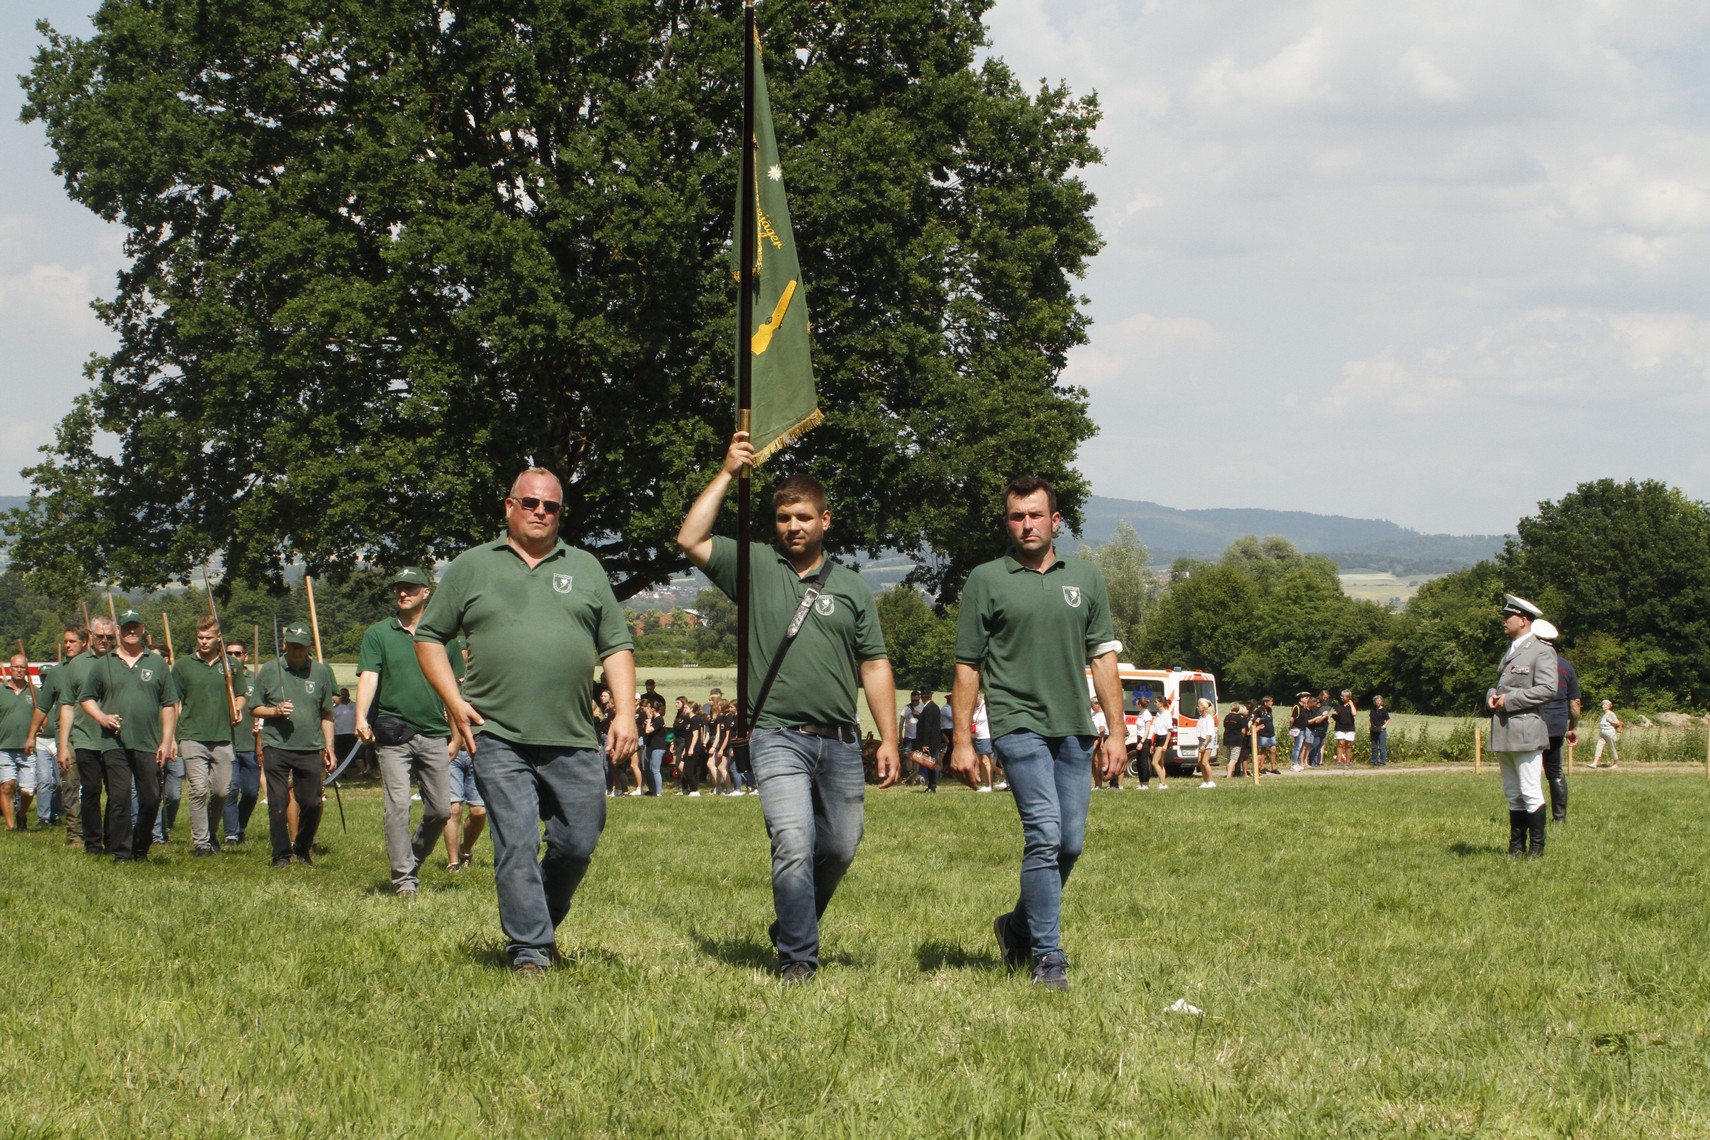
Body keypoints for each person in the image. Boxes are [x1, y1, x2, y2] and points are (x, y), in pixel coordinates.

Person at [677, 430, 899, 981]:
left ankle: (792, 924)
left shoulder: (852, 587)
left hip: (842, 740)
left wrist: (890, 739)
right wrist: (727, 473)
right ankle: (799, 957)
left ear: (826, 520)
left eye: (803, 517)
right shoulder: (753, 565)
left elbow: (874, 665)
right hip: (776, 735)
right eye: (783, 518)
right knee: (793, 842)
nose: (792, 526)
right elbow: (690, 537)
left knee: (840, 848)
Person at [414, 467, 637, 977]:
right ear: (509, 506)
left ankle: (541, 922)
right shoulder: (472, 566)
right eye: (531, 503)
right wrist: (455, 703)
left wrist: (625, 713)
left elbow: (616, 645)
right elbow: (429, 637)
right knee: (515, 841)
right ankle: (530, 950)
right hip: (497, 734)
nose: (540, 512)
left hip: (573, 735)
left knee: (577, 843)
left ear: (561, 513)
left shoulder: (585, 567)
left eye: (551, 506)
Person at [950, 475, 1125, 992]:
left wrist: (1116, 733)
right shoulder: (986, 579)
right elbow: (967, 665)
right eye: (1016, 516)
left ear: (1056, 521)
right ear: (1007, 523)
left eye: (1035, 515)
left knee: (1070, 842)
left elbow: (1104, 660)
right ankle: (1048, 956)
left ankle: (1017, 927)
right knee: (1044, 833)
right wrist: (962, 740)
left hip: (1075, 727)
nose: (1026, 524)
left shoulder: (1087, 577)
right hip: (1017, 723)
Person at [357, 567, 459, 898]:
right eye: (399, 588)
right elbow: (369, 677)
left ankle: (412, 860)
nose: (403, 593)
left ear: (426, 593)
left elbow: (455, 691)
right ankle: (403, 879)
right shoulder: (378, 633)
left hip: (434, 732)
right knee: (398, 805)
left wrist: (457, 735)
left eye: (411, 588)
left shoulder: (444, 636)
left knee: (441, 810)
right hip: (393, 732)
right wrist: (360, 716)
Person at [78, 609, 179, 863]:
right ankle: (121, 853)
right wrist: (101, 717)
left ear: (143, 629)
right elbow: (86, 698)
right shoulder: (104, 664)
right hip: (113, 742)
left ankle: (140, 849)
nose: (131, 631)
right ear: (118, 631)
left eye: (135, 626)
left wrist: (166, 741)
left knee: (151, 798)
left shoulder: (157, 663)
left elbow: (169, 704)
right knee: (120, 797)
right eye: (126, 627)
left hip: (148, 742)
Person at [251, 623, 337, 868]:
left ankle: (302, 848)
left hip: (310, 747)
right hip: (276, 745)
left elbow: (327, 713)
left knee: (312, 802)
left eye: (301, 646)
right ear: (284, 645)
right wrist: (275, 711)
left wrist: (330, 748)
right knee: (278, 802)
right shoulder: (270, 670)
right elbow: (254, 708)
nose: (296, 651)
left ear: (309, 646)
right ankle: (281, 854)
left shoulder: (320, 672)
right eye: (292, 646)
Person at [1486, 594, 1557, 858]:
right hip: (1504, 730)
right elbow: (1500, 684)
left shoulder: (1542, 650)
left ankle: (1536, 849)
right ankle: (1516, 847)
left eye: (1508, 617)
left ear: (1523, 620)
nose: (1504, 621)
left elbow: (1548, 689)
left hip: (1526, 730)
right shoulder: (1512, 649)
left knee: (1530, 791)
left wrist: (1510, 700)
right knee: (1513, 793)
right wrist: (1491, 696)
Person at [171, 616, 243, 856]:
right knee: (198, 789)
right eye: (200, 637)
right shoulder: (183, 666)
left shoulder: (231, 665)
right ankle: (201, 843)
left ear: (218, 638)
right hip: (192, 735)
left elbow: (241, 695)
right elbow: (173, 702)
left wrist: (238, 708)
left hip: (223, 736)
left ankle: (211, 832)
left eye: (208, 638)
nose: (203, 641)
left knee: (222, 791)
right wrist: (173, 736)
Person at [55, 623, 105, 851]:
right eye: (65, 641)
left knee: (116, 791)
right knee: (76, 786)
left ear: (84, 642)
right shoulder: (67, 669)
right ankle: (76, 833)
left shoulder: (115, 661)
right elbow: (61, 706)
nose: (67, 645)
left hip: (108, 736)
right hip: (79, 736)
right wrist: (63, 744)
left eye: (71, 641)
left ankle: (112, 836)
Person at [1532, 620, 1580, 824]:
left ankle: (1532, 817)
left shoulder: (1531, 662)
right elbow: (1575, 704)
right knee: (1555, 773)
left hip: (1533, 724)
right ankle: (1559, 819)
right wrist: (1572, 728)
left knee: (1531, 773)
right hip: (1557, 727)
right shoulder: (1566, 667)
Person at [222, 638, 260, 846]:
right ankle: (231, 834)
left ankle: (240, 826)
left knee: (251, 793)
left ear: (245, 656)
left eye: (237, 653)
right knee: (231, 790)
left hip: (251, 744)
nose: (233, 657)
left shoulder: (255, 679)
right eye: (229, 653)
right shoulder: (220, 678)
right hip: (227, 743)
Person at [0, 653, 39, 831]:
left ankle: (21, 814)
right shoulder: (1, 691)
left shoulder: (34, 692)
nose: (18, 670)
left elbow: (43, 713)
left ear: (26, 670)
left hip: (28, 748)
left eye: (22, 667)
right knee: (7, 786)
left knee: (28, 790)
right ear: (10, 669)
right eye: (15, 667)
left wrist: (41, 725)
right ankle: (11, 827)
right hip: (4, 746)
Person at [1193, 697, 1218, 787]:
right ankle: (1205, 780)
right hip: (1201, 740)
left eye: (1199, 705)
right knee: (1200, 762)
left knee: (1205, 761)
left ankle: (1211, 781)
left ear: (1203, 707)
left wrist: (1204, 745)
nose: (1197, 707)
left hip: (1207, 741)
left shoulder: (1209, 718)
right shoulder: (1201, 718)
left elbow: (1209, 733)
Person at [1221, 701, 1249, 780]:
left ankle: (1229, 773)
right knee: (1233, 759)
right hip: (1236, 740)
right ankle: (1229, 776)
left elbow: (1225, 727)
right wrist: (1241, 738)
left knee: (1228, 758)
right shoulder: (1240, 718)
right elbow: (1243, 731)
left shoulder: (1227, 717)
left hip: (1226, 739)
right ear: (1238, 709)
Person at [1591, 700, 1621, 768]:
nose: (1603, 706)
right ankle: (1595, 763)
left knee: (1612, 748)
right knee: (1598, 747)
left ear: (1608, 706)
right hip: (1602, 733)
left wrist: (1610, 721)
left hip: (1610, 733)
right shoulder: (1603, 714)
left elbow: (1617, 723)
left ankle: (1615, 763)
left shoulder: (1611, 714)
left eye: (1604, 705)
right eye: (1603, 705)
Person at [1253, 695, 1279, 775]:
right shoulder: (1258, 711)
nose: (1272, 703)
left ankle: (1273, 767)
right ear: (1265, 702)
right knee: (1263, 750)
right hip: (1263, 733)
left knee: (1273, 749)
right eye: (1270, 702)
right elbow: (1254, 721)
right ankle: (1261, 767)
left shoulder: (1269, 710)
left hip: (1271, 733)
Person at [1332, 690, 1357, 768]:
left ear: (1348, 697)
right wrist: (1334, 714)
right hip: (1340, 727)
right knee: (1341, 743)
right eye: (1341, 696)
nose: (1341, 697)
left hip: (1350, 728)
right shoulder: (1338, 705)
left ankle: (1348, 761)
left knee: (1348, 744)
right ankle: (1339, 761)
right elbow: (1334, 714)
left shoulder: (1352, 705)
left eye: (1343, 696)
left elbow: (1354, 714)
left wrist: (1351, 704)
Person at [1368, 695, 1391, 767]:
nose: (1377, 702)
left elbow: (1388, 719)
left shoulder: (1384, 710)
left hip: (1381, 730)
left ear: (1381, 702)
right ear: (1374, 702)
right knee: (1374, 747)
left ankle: (1382, 762)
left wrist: (1385, 726)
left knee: (1381, 747)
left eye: (1379, 700)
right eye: (1376, 700)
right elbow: (1370, 718)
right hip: (1373, 730)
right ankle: (1374, 761)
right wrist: (1370, 726)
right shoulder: (1373, 709)